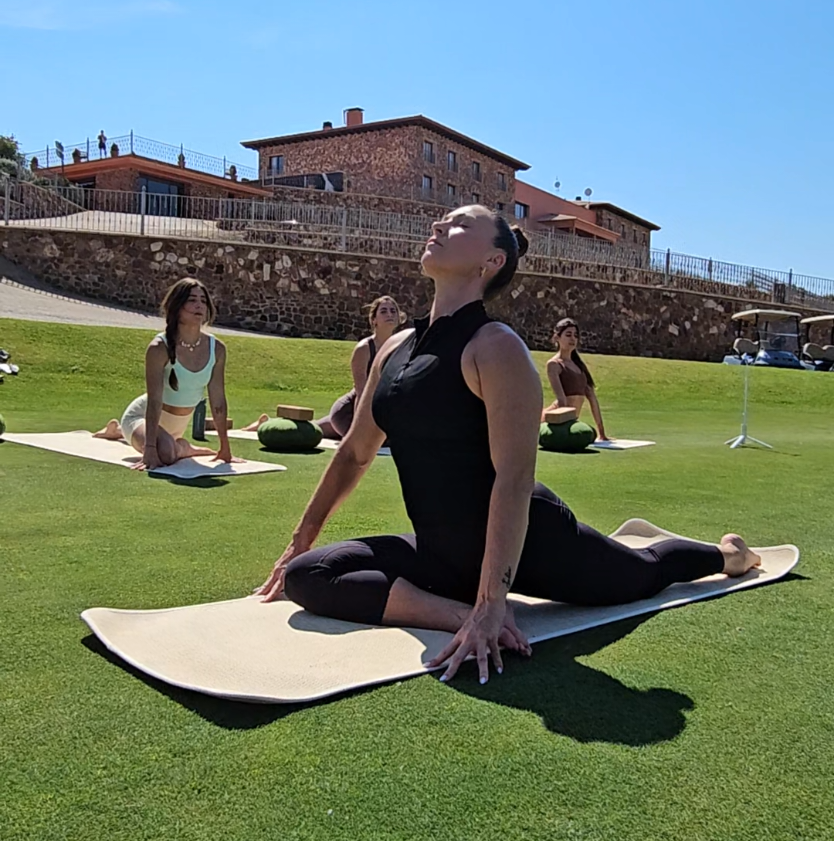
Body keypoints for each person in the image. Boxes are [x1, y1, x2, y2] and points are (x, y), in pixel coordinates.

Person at [255, 205, 760, 684]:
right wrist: (300, 540)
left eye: (459, 224)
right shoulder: (394, 347)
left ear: (491, 261)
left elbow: (513, 480)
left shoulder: (495, 347)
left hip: (530, 545)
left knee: (643, 574)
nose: (438, 223)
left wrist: (495, 600)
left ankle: (726, 555)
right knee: (309, 576)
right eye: (444, 220)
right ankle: (457, 614)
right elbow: (354, 452)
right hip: (440, 557)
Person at [94, 278, 236, 470]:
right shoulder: (159, 348)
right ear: (177, 306)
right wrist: (150, 449)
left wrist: (225, 449)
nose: (199, 305)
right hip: (141, 417)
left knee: (168, 447)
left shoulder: (216, 348)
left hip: (176, 426)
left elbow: (218, 401)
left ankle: (116, 431)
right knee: (166, 454)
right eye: (192, 300)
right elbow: (154, 401)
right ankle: (176, 446)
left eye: (203, 300)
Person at [316, 295, 404, 440]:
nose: (389, 314)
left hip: (380, 413)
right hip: (350, 411)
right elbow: (361, 391)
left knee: (318, 429)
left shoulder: (401, 347)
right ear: (374, 320)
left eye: (393, 311)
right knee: (373, 442)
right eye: (383, 311)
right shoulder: (364, 348)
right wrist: (360, 429)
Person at [543, 318, 609, 441]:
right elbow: (561, 400)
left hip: (571, 420)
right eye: (568, 335)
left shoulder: (579, 366)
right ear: (557, 337)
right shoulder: (554, 364)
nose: (573, 339)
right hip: (557, 418)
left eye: (575, 335)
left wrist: (602, 433)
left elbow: (592, 397)